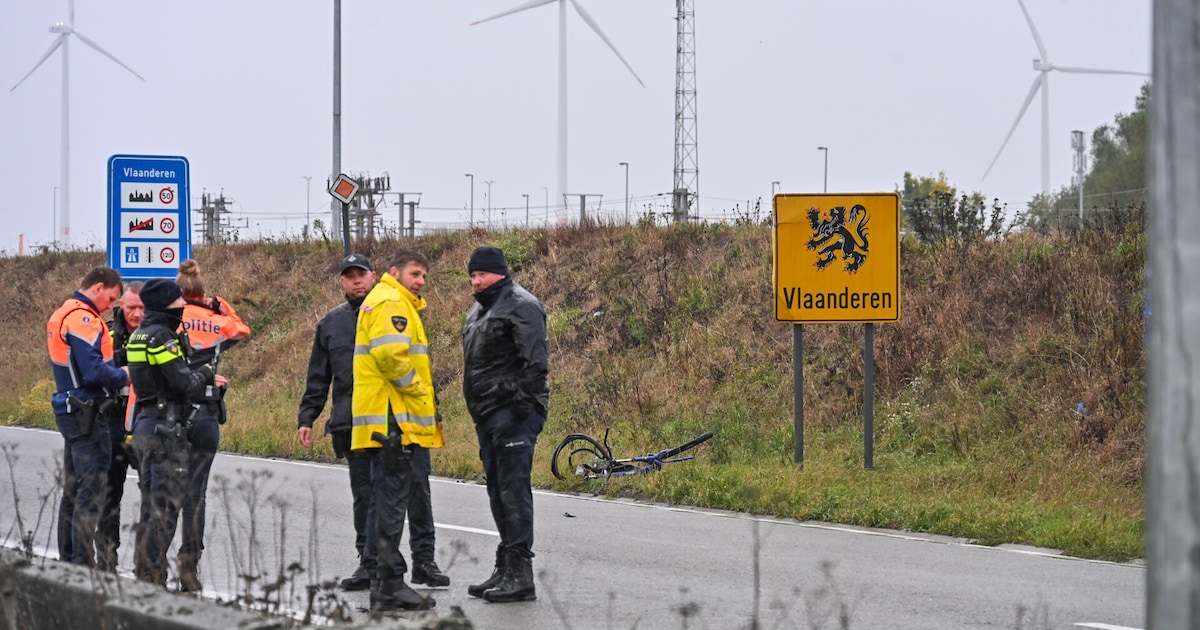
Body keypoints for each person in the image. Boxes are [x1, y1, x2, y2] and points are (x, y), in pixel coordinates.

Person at [351, 250, 444, 612]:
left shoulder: (386, 300)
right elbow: (392, 357)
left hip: (383, 418)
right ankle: (389, 584)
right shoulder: (392, 302)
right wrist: (421, 392)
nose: (421, 281)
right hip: (393, 420)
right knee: (391, 505)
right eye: (415, 274)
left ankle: (383, 580)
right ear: (394, 273)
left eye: (424, 276)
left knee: (384, 503)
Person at [461, 246, 548, 603]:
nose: (476, 281)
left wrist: (519, 410)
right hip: (487, 415)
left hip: (513, 414)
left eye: (481, 274)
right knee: (497, 490)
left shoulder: (521, 304)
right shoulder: (478, 310)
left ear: (498, 271)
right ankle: (505, 565)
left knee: (514, 490)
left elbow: (535, 364)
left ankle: (521, 572)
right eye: (472, 275)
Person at [127, 278, 226, 587]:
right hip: (165, 426)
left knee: (151, 504)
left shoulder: (138, 337)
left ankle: (145, 570)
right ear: (164, 304)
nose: (182, 307)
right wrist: (206, 373)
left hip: (144, 423)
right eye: (177, 302)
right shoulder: (161, 339)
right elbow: (182, 384)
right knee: (166, 506)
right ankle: (153, 577)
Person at [296, 254, 379, 591]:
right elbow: (318, 377)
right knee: (363, 495)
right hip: (348, 422)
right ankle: (367, 561)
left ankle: (388, 560)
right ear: (342, 282)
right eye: (350, 276)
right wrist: (308, 417)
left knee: (385, 495)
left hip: (388, 421)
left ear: (373, 277)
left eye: (361, 274)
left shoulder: (391, 314)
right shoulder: (330, 323)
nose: (356, 281)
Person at [174, 259, 251, 591]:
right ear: (204, 293)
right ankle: (189, 565)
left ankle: (152, 566)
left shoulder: (170, 320)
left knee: (161, 492)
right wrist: (218, 305)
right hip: (205, 413)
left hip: (173, 412)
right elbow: (241, 328)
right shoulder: (216, 321)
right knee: (196, 495)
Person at [47, 266, 130, 567]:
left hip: (72, 409)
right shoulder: (83, 318)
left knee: (72, 489)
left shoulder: (63, 312)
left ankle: (68, 560)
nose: (110, 306)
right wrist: (123, 374)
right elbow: (93, 371)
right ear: (98, 288)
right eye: (111, 298)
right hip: (88, 411)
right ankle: (82, 565)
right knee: (91, 489)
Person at [97, 280, 144, 571]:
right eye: (131, 308)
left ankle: (149, 560)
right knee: (109, 492)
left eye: (142, 308)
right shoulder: (108, 334)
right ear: (120, 307)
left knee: (154, 493)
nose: (137, 314)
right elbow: (96, 370)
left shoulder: (158, 335)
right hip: (113, 420)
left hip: (147, 421)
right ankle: (107, 555)